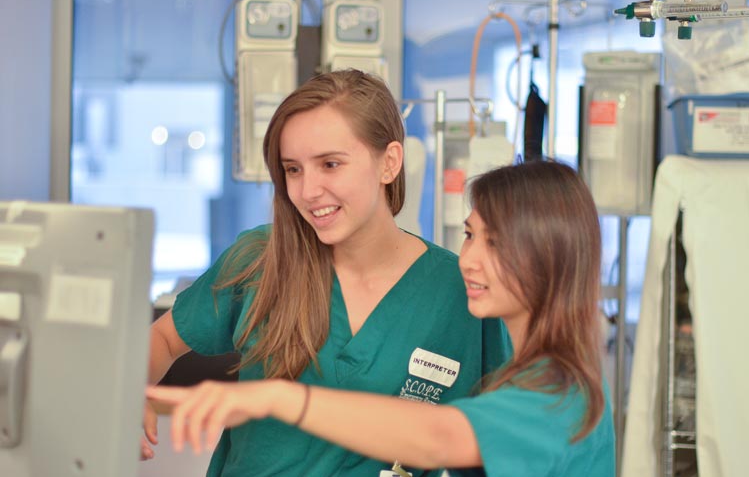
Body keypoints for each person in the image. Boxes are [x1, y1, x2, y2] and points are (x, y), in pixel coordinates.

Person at [141, 69, 511, 477]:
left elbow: (496, 438)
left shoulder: (460, 292)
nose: (308, 190)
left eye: (330, 164)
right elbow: (163, 339)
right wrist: (129, 392)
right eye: (293, 169)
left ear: (389, 163)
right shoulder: (259, 260)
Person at [147, 160, 616, 477]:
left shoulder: (558, 393)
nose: (470, 260)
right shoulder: (533, 374)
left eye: (497, 244)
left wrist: (279, 397)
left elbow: (438, 436)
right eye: (471, 236)